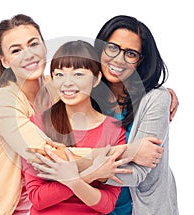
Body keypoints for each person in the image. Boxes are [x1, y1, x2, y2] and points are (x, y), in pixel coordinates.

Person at [0, 14, 145, 215]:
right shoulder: (4, 100)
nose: (27, 55)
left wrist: (163, 95)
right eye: (16, 50)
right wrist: (123, 154)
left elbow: (94, 77)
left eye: (33, 44)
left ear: (45, 47)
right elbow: (44, 153)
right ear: (5, 61)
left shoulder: (58, 86)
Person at [34, 15, 179, 214]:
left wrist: (69, 171)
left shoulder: (155, 99)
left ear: (140, 61)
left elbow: (138, 173)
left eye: (130, 53)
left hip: (140, 208)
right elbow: (27, 91)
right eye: (112, 47)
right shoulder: (82, 90)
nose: (118, 59)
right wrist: (132, 151)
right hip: (93, 206)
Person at [22, 40, 131, 214]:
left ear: (96, 79)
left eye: (78, 74)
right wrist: (90, 175)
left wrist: (72, 180)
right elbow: (37, 197)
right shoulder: (38, 124)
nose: (67, 83)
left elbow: (107, 204)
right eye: (59, 75)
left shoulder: (114, 130)